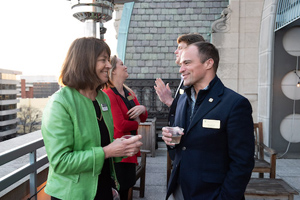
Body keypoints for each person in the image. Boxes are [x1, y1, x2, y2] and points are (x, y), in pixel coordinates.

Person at [41, 37, 143, 200]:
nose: (109, 66)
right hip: (73, 194)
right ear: (85, 62)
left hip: (102, 187)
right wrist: (107, 151)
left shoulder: (103, 98)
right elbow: (61, 162)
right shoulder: (60, 103)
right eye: (103, 60)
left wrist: (121, 148)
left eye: (108, 60)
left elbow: (102, 147)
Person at [162, 41, 255, 200]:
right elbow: (180, 149)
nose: (181, 69)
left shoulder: (235, 104)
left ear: (208, 63)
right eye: (181, 64)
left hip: (213, 194)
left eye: (187, 63)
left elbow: (242, 162)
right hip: (180, 190)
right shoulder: (182, 100)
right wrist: (170, 141)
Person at [103, 55, 148, 200]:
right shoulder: (109, 94)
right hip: (119, 154)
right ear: (113, 71)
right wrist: (137, 123)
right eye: (122, 64)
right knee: (121, 190)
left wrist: (142, 108)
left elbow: (143, 116)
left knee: (127, 186)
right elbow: (120, 125)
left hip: (130, 150)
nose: (125, 67)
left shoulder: (128, 93)